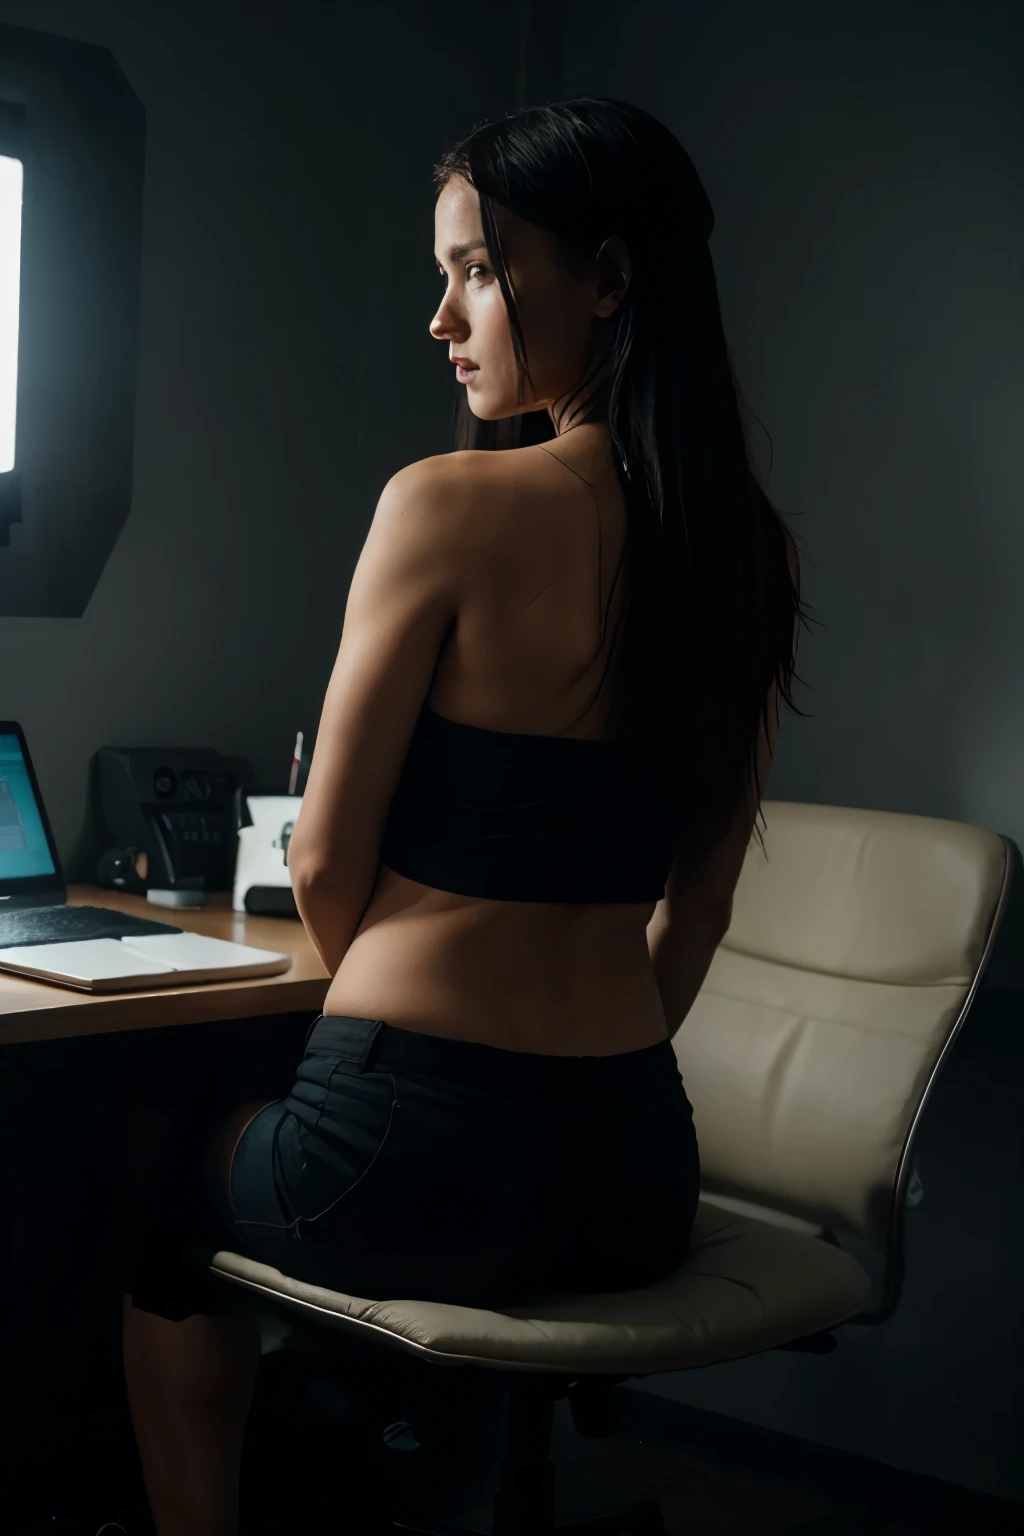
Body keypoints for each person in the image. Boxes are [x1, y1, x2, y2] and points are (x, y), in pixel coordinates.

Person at [121, 97, 808, 1535]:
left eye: (478, 272)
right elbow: (703, 906)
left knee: (139, 1185)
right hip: (635, 1172)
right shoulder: (748, 552)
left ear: (610, 278)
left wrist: (395, 1010)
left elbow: (321, 858)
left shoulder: (447, 506)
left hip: (407, 1153)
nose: (444, 317)